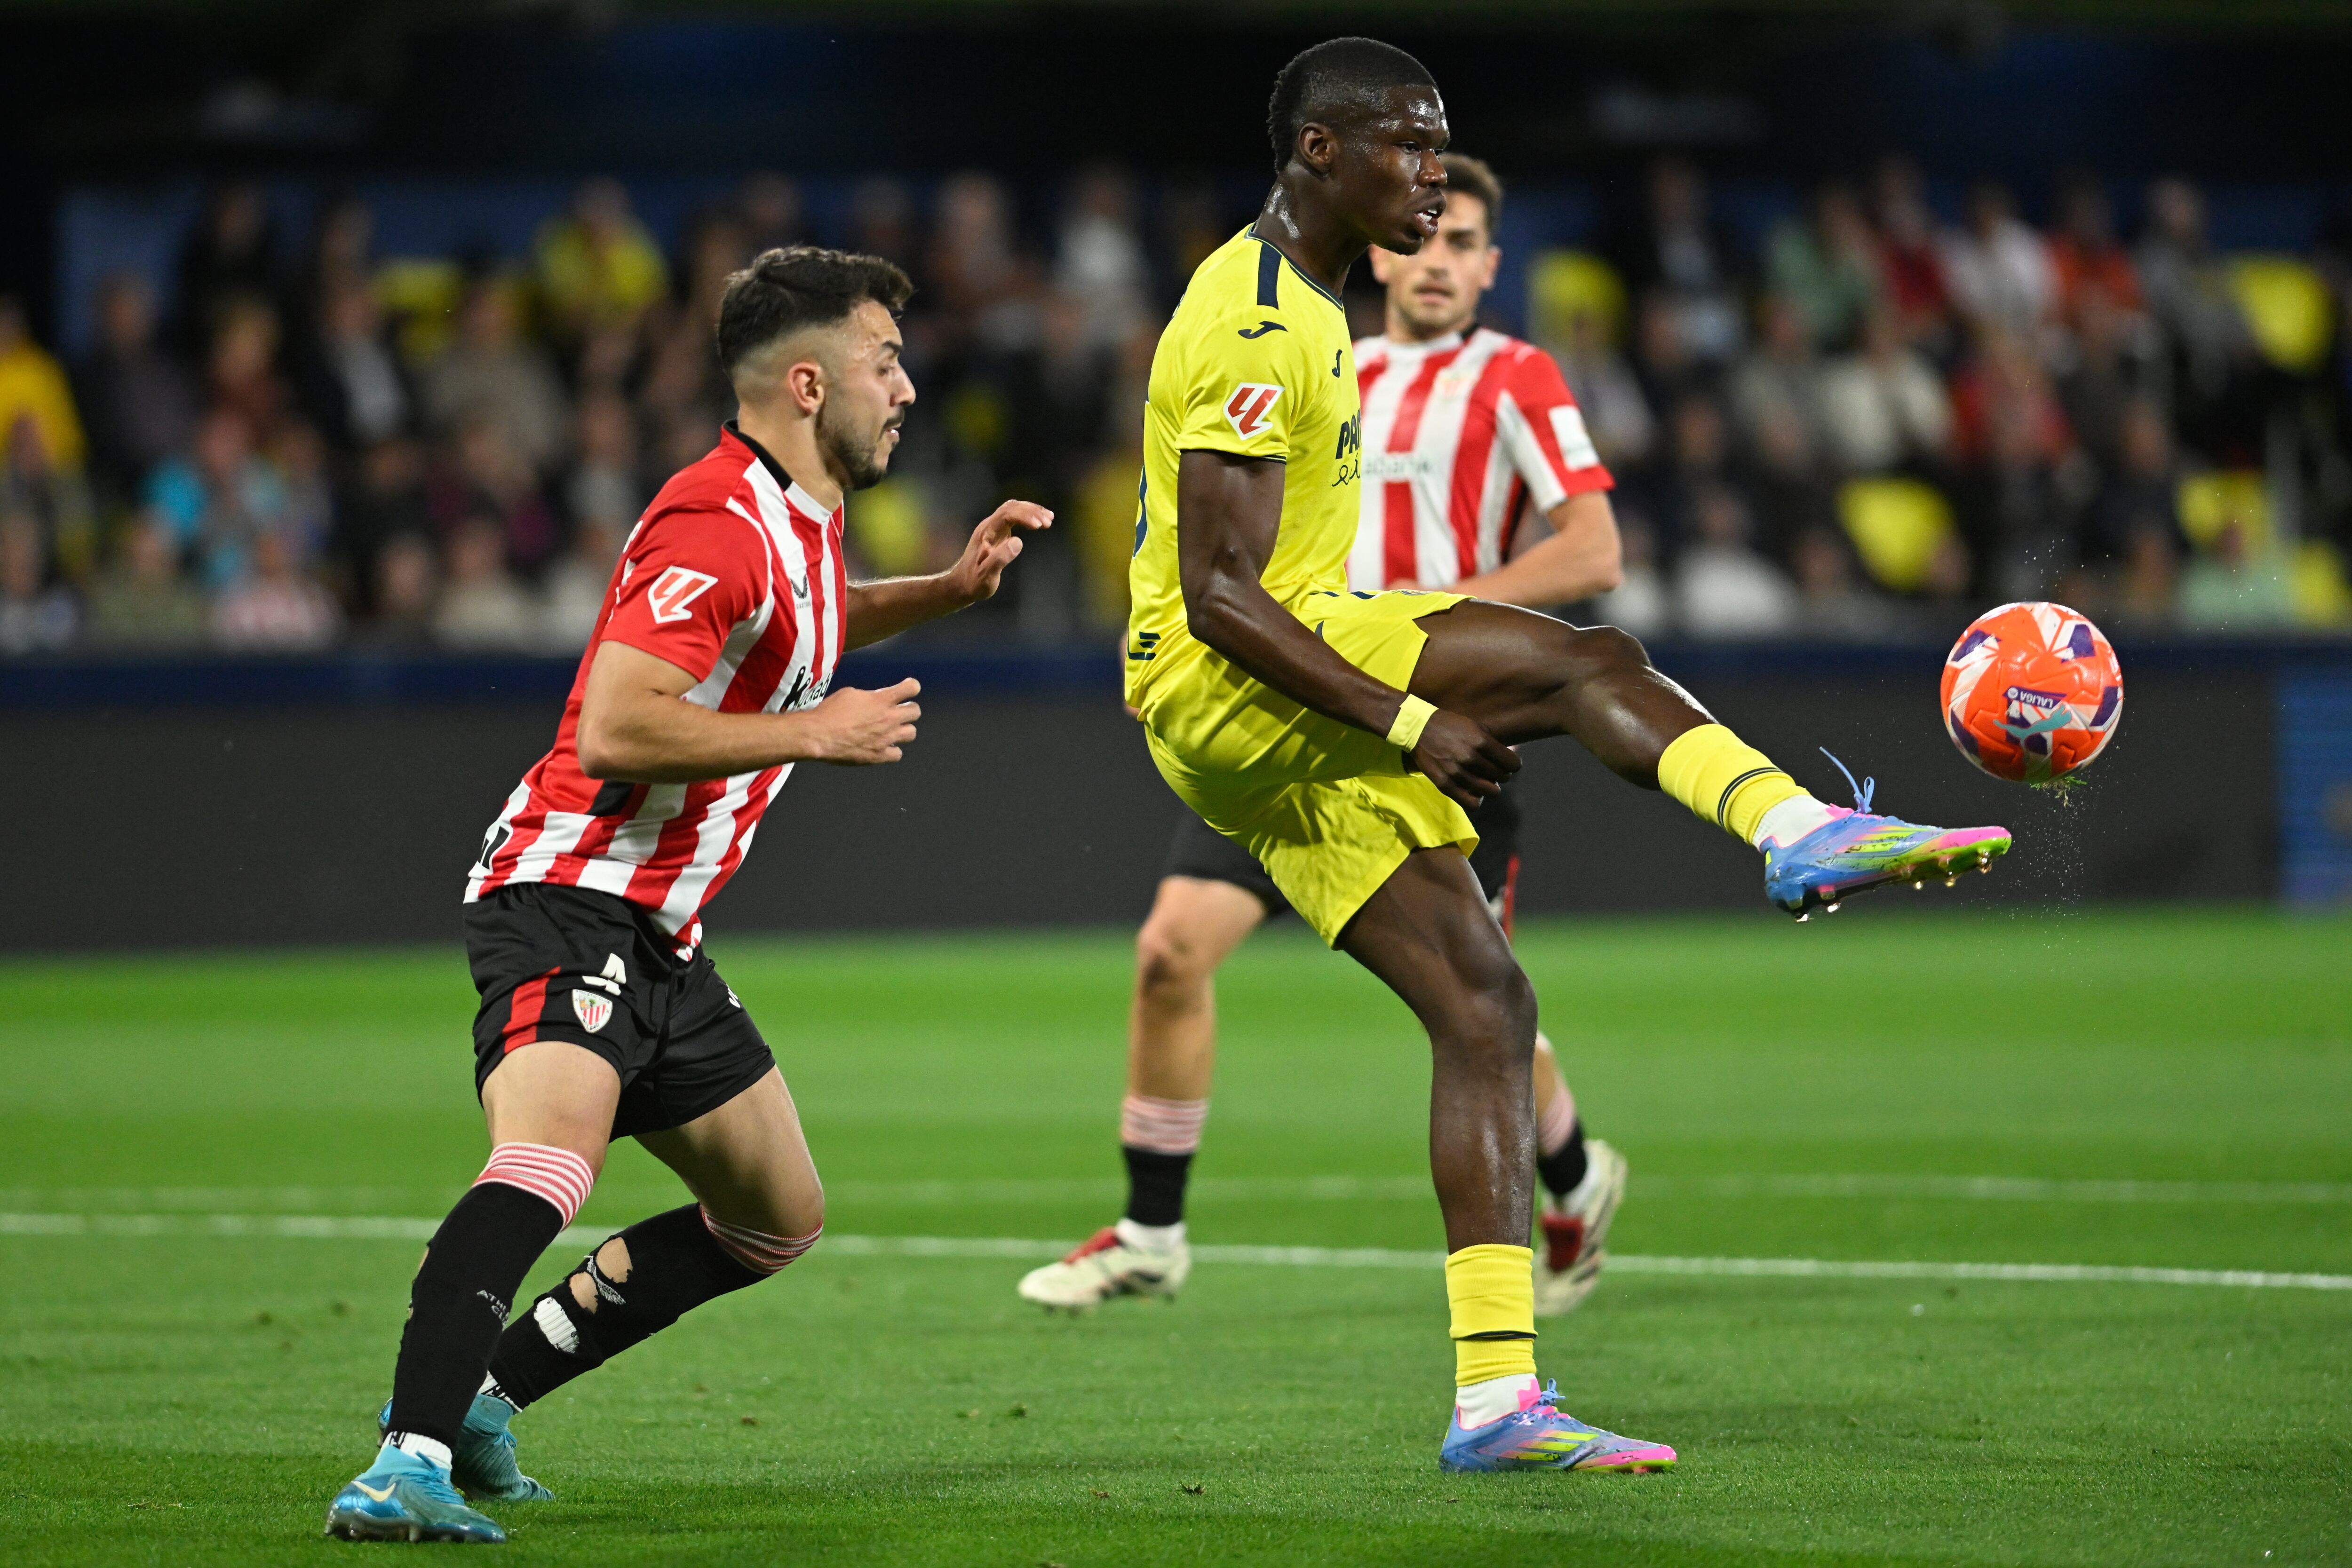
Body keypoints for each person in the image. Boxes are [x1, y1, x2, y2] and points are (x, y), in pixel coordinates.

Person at [1098, 37, 2011, 1477]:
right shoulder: (1261, 320)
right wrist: (1406, 718)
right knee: (1592, 661)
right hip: (1233, 681)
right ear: (1320, 153)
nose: (1433, 171)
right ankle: (1790, 830)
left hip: (1250, 707)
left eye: (1444, 143)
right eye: (1407, 143)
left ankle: (1496, 1399)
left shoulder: (1312, 300)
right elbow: (1221, 594)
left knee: (1487, 1006)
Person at [322, 245, 1052, 1544]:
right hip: (568, 889)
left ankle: (489, 1400)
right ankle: (406, 1455)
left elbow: (804, 625)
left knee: (777, 1217)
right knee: (548, 1159)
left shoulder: (805, 522)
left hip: (663, 929)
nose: (910, 389)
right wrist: (813, 730)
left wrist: (939, 594)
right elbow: (613, 724)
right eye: (890, 361)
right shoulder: (715, 521)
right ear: (812, 381)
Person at [1017, 153, 1634, 1326]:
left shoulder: (1514, 377)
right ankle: (1151, 1227)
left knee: (1476, 1003)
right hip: (1300, 698)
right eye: (1421, 240)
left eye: (1462, 246)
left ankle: (1569, 1170)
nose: (1434, 261)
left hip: (1434, 711)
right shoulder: (1315, 348)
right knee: (1169, 949)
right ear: (1381, 244)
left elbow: (1592, 552)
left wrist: (1442, 627)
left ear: (1492, 265)